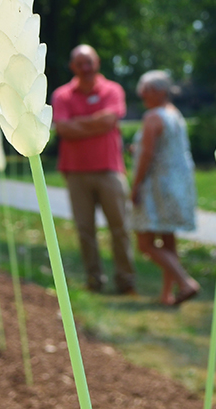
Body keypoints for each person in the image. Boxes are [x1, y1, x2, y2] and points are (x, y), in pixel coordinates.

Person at [51, 45, 135, 294]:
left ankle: (126, 280)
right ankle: (94, 280)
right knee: (85, 230)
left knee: (119, 228)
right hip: (76, 171)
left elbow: (110, 120)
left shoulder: (112, 89)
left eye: (89, 62)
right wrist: (96, 123)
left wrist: (79, 124)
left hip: (110, 170)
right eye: (80, 63)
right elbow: (63, 129)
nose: (85, 68)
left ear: (97, 62)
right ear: (72, 66)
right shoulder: (62, 95)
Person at [131, 70, 200, 306]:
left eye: (146, 90)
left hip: (157, 184)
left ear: (160, 91)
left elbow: (148, 155)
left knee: (145, 243)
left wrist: (136, 185)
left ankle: (186, 282)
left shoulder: (153, 116)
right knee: (168, 238)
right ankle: (167, 294)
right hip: (179, 184)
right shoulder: (175, 114)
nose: (142, 95)